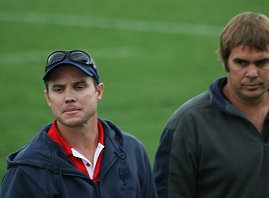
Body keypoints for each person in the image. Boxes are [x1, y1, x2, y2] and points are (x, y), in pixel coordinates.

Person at [153, 12, 269, 198]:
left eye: (262, 62)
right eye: (241, 63)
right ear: (225, 62)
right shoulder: (188, 124)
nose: (252, 73)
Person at [0, 50, 158, 198]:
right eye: (59, 89)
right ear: (48, 98)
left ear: (99, 92)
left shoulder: (132, 150)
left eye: (79, 87)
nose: (68, 97)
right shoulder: (27, 170)